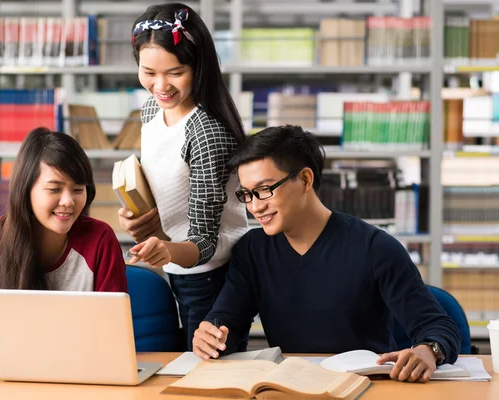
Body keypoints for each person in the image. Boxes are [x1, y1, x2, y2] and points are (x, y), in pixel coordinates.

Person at [192, 125, 461, 383]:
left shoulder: (375, 247)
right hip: (290, 386)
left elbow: (437, 326)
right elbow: (227, 320)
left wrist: (428, 350)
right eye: (247, 194)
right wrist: (211, 335)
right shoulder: (252, 250)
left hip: (365, 386)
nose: (255, 206)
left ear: (306, 179)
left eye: (264, 190)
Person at [119, 3, 250, 350]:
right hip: (176, 268)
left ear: (198, 66)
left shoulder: (206, 132)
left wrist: (164, 246)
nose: (160, 86)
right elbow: (166, 185)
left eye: (175, 72)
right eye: (148, 72)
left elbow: (205, 242)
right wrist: (139, 215)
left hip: (212, 277)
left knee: (208, 375)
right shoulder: (151, 109)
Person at [0, 127, 127, 322]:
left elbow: (112, 328)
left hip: (84, 353)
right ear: (26, 189)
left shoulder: (100, 238)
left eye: (78, 189)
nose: (68, 201)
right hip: (8, 354)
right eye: (54, 189)